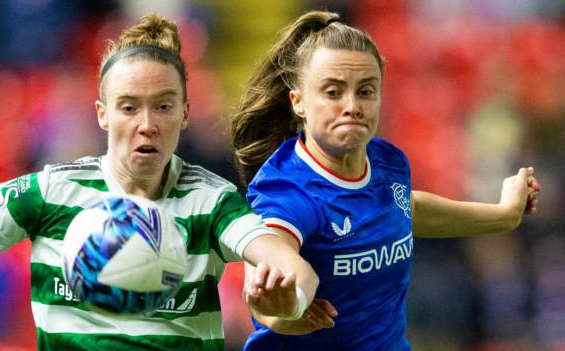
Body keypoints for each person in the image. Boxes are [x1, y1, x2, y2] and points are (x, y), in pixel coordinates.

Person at [0, 13, 317, 350]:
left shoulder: (211, 201)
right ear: (103, 115)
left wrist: (289, 300)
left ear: (185, 114)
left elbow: (286, 263)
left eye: (164, 106)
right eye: (129, 107)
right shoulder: (49, 193)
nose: (147, 125)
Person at [230, 10, 542, 351]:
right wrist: (284, 307)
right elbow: (273, 267)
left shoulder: (387, 160)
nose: (352, 106)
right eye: (333, 92)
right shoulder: (285, 191)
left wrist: (503, 215)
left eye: (366, 91)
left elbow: (403, 209)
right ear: (299, 102)